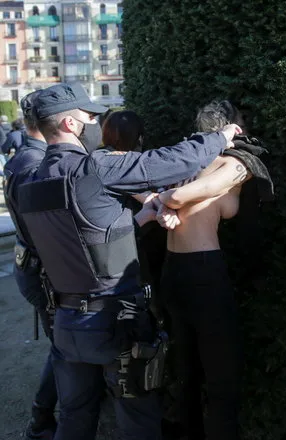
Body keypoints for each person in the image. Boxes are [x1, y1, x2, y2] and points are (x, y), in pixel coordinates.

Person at [17, 83, 240, 440]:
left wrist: (143, 217)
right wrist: (221, 138)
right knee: (138, 422)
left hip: (67, 322)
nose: (95, 124)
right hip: (116, 323)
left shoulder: (28, 183)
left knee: (75, 418)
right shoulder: (93, 169)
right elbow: (170, 163)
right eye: (90, 117)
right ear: (71, 125)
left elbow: (84, 236)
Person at [156, 100, 273, 440]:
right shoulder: (234, 163)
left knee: (187, 372)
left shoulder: (183, 156)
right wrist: (169, 200)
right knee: (223, 378)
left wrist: (158, 201)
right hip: (203, 272)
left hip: (172, 269)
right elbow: (188, 196)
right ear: (232, 129)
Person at [2, 91, 59, 440]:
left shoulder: (26, 157)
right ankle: (41, 419)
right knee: (64, 348)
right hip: (40, 270)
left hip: (32, 265)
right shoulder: (34, 164)